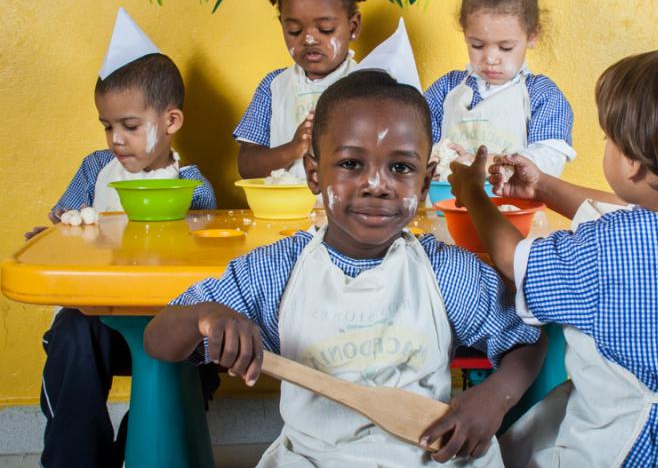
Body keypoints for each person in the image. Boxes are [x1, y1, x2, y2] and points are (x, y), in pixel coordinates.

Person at [145, 66, 547, 466]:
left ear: (424, 184)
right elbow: (158, 341)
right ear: (314, 174)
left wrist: (495, 398)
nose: (376, 183)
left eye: (401, 168)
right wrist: (205, 316)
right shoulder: (273, 273)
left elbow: (525, 340)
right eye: (351, 164)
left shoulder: (446, 273)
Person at [448, 16, 658, 466]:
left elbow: (515, 260)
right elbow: (633, 212)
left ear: (634, 166)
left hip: (636, 441)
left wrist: (473, 195)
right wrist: (544, 187)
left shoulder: (610, 250)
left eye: (609, 138)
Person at [29, 8, 218, 468]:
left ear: (171, 121)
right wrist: (53, 238)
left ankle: (140, 447)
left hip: (170, 326)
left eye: (130, 126)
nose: (116, 139)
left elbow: (210, 253)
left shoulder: (193, 185)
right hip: (100, 325)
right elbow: (66, 223)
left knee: (193, 368)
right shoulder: (96, 169)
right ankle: (74, 459)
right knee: (72, 333)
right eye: (107, 126)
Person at [424, 0, 574, 178]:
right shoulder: (446, 89)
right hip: (446, 211)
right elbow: (415, 142)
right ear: (464, 33)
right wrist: (432, 157)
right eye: (477, 45)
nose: (491, 59)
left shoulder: (542, 95)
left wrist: (481, 164)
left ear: (532, 36)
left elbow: (548, 160)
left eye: (505, 48)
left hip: (514, 213)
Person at [235, 0, 364, 179]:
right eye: (294, 30)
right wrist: (294, 149)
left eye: (325, 29)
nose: (309, 39)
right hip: (284, 212)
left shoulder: (370, 84)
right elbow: (246, 166)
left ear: (353, 26)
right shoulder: (273, 87)